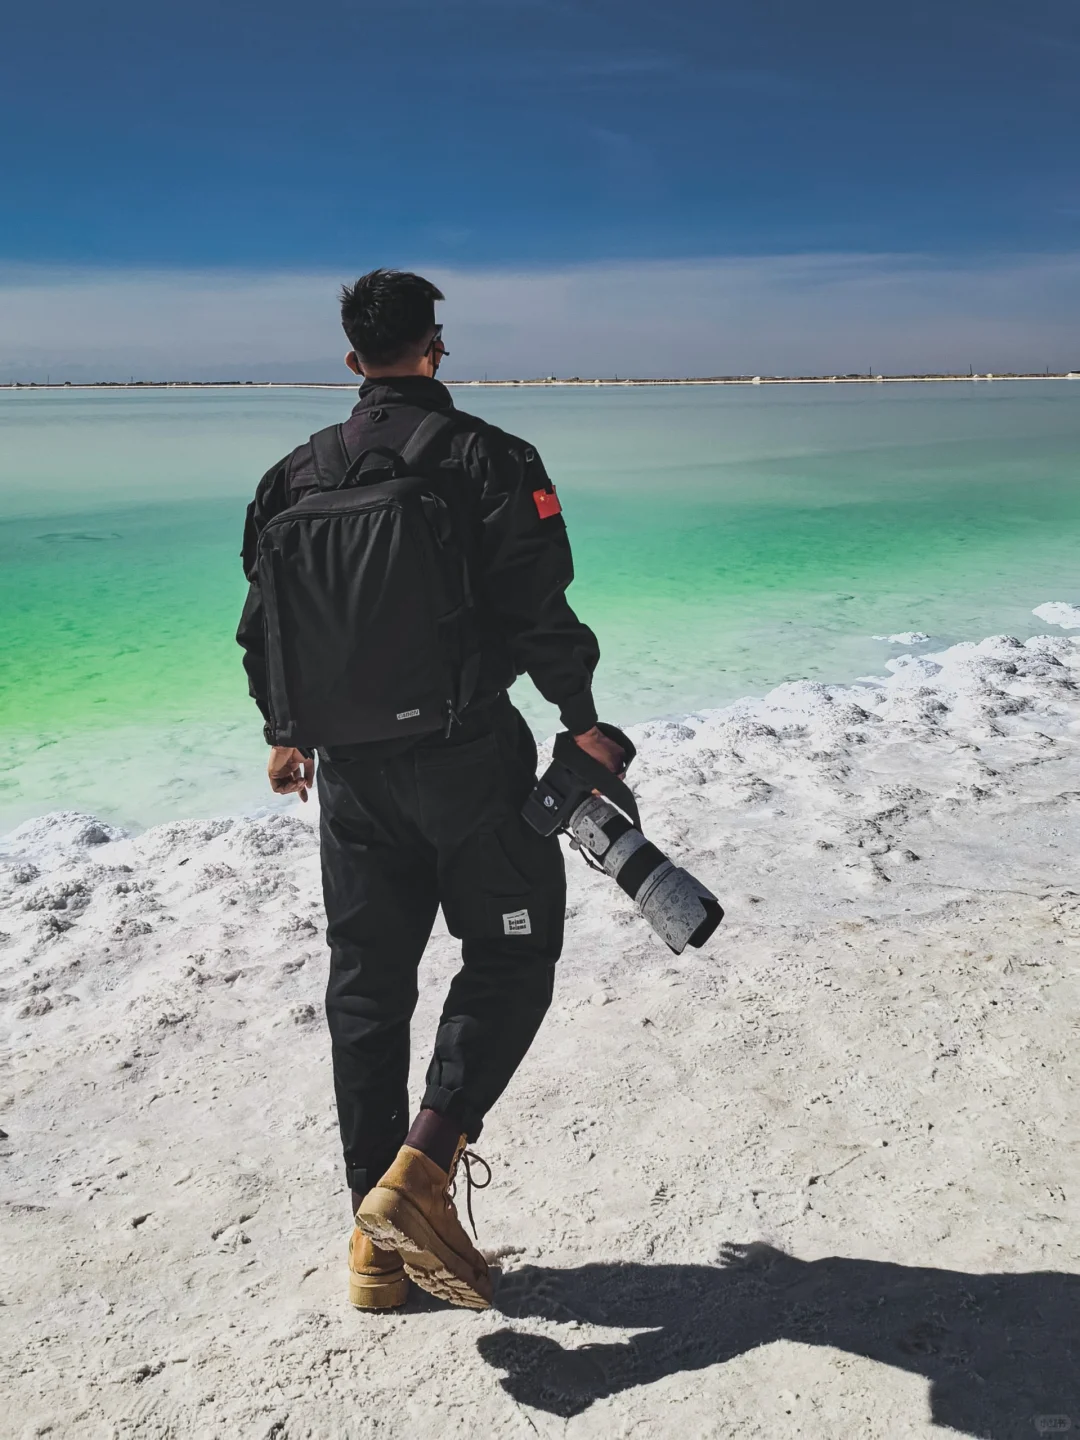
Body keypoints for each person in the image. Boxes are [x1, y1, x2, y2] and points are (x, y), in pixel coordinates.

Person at [236, 269, 623, 1311]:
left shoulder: (290, 478)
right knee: (514, 952)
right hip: (468, 760)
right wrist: (582, 719)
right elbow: (540, 607)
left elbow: (261, 628)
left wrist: (285, 734)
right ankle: (421, 1171)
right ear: (434, 347)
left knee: (367, 988)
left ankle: (372, 1250)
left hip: (350, 778)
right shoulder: (490, 457)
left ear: (352, 359)